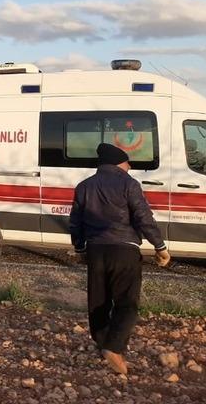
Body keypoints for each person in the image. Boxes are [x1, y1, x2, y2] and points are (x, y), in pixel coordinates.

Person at [69, 143, 171, 375]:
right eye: (128, 163)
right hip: (125, 250)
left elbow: (76, 222)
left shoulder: (84, 186)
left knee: (98, 301)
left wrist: (80, 248)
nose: (130, 167)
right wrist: (160, 246)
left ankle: (104, 343)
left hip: (96, 251)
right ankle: (114, 348)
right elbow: (143, 216)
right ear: (119, 163)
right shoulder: (129, 184)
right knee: (126, 303)